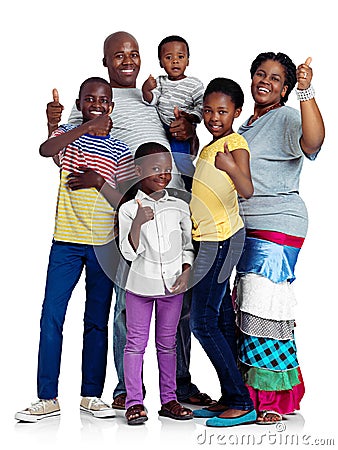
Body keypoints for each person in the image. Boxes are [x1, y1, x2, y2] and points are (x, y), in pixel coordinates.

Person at [46, 31, 212, 410]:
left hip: (173, 197)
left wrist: (188, 130)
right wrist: (53, 122)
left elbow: (178, 135)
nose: (128, 60)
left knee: (177, 293)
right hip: (127, 204)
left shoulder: (149, 96)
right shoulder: (98, 98)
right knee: (129, 299)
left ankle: (179, 386)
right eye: (118, 55)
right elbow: (64, 150)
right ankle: (126, 388)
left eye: (134, 53)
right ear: (105, 61)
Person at [15, 77, 136, 422]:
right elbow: (46, 150)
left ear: (111, 106)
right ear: (80, 104)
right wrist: (83, 128)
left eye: (102, 100)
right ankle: (47, 397)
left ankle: (91, 395)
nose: (96, 105)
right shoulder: (68, 136)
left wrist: (99, 182)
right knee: (51, 316)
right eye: (89, 100)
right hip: (65, 243)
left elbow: (126, 198)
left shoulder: (121, 149)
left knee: (96, 321)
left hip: (103, 247)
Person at [234, 53, 325, 424]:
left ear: (285, 87)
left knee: (266, 310)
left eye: (275, 78)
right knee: (249, 310)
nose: (264, 81)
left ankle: (272, 400)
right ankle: (250, 394)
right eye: (260, 73)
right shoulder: (247, 126)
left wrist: (307, 92)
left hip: (277, 226)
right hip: (246, 228)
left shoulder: (287, 116)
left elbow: (314, 140)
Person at [189, 77, 256, 427]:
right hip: (207, 241)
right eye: (209, 110)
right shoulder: (208, 147)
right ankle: (232, 395)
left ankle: (241, 402)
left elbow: (246, 189)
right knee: (221, 321)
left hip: (222, 241)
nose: (214, 117)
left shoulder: (235, 144)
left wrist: (231, 167)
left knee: (202, 322)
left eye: (222, 111)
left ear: (236, 113)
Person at [118, 142, 195, 424]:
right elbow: (128, 253)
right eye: (155, 169)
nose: (163, 174)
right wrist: (138, 222)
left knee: (168, 344)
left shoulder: (178, 206)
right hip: (140, 287)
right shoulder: (128, 209)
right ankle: (134, 402)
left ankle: (169, 400)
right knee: (135, 344)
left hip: (172, 287)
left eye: (167, 169)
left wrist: (186, 270)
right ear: (138, 171)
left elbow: (187, 245)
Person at [142, 35, 204, 192]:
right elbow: (152, 100)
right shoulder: (161, 81)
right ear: (161, 63)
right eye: (168, 57)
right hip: (162, 125)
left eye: (180, 57)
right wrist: (146, 90)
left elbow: (202, 105)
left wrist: (190, 118)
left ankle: (193, 186)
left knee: (181, 159)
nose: (175, 61)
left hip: (179, 128)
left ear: (188, 61)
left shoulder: (194, 84)